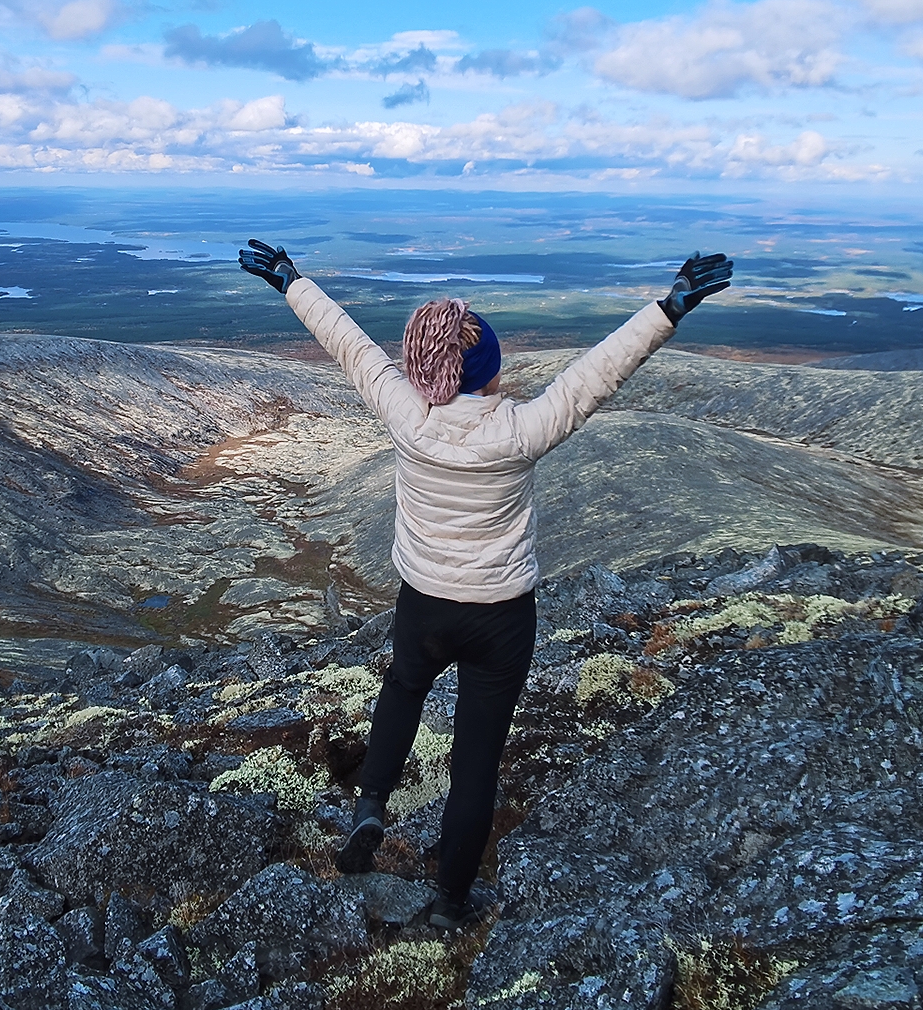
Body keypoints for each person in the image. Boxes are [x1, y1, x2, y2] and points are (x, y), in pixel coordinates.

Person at [236, 239, 733, 929]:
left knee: (404, 689)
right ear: (491, 372)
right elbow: (597, 374)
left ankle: (372, 804)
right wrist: (670, 307)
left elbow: (346, 342)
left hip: (424, 604)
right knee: (476, 764)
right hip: (501, 618)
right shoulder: (522, 430)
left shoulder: (407, 415)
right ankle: (449, 905)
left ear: (422, 368)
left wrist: (291, 282)